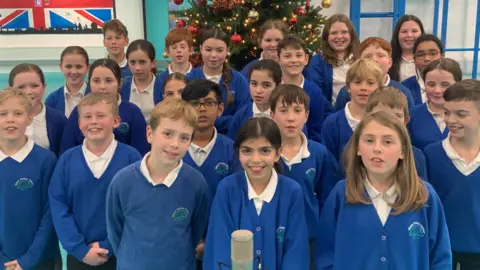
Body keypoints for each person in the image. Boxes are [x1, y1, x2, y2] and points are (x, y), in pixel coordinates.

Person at [315, 111, 452, 270]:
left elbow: (440, 257)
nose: (377, 149)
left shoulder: (424, 196)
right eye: (369, 140)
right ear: (358, 148)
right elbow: (325, 254)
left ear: (402, 151)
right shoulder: (341, 194)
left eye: (387, 142)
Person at [106, 99, 210, 270]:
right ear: (150, 134)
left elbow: (195, 231)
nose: (174, 144)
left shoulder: (196, 183)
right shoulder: (122, 182)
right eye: (168, 134)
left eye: (184, 137)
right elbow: (115, 232)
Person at [49, 93, 142, 270]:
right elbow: (59, 205)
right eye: (87, 116)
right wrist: (79, 248)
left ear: (115, 121)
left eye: (101, 116)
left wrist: (108, 245)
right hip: (80, 255)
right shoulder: (67, 161)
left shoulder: (132, 158)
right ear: (79, 123)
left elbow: (137, 208)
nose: (93, 121)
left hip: (122, 252)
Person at [203, 117, 310, 270]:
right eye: (247, 151)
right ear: (238, 153)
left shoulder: (292, 192)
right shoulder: (227, 189)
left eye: (265, 151)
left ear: (278, 153)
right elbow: (219, 247)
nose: (255, 159)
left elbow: (296, 252)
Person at [270, 84, 340, 268]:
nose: (290, 118)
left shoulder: (319, 153)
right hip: (271, 237)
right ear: (272, 115)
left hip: (309, 239)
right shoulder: (264, 155)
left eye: (297, 110)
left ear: (306, 116)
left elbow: (327, 196)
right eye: (283, 111)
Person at [0, 88, 59, 270]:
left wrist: (29, 259)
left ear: (29, 119)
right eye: (3, 114)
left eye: (18, 113)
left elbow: (50, 216)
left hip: (39, 260)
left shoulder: (45, 160)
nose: (10, 119)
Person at [424, 79, 480, 270]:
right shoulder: (430, 155)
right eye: (447, 112)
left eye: (461, 114)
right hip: (440, 253)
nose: (451, 120)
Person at [60, 58, 149, 155]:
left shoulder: (133, 112)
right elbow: (67, 151)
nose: (102, 86)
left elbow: (142, 153)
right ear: (89, 83)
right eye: (96, 81)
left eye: (108, 80)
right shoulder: (78, 111)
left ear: (119, 83)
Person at [187, 28, 250, 133]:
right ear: (201, 49)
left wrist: (210, 120)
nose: (213, 55)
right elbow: (185, 114)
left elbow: (243, 117)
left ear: (227, 50)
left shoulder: (239, 81)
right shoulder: (189, 79)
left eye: (219, 50)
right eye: (208, 50)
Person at [320, 58, 384, 163]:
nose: (363, 88)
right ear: (348, 87)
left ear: (379, 88)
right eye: (357, 82)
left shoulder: (385, 122)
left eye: (370, 83)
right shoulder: (332, 123)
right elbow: (328, 165)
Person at [333, 37, 416, 111]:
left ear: (390, 62)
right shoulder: (347, 92)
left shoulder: (402, 92)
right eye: (368, 56)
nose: (374, 60)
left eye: (380, 55)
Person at [365, 86, 428, 180]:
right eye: (382, 115)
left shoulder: (416, 156)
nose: (390, 121)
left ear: (405, 121)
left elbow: (422, 190)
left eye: (397, 116)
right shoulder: (358, 151)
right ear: (367, 117)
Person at [277, 35, 331, 142]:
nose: (294, 60)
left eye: (298, 55)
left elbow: (317, 129)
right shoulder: (273, 89)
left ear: (306, 59)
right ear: (278, 60)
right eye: (287, 56)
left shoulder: (314, 92)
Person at [9, 63, 67, 156]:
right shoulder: (3, 120)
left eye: (34, 86)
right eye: (21, 87)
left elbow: (63, 155)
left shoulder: (58, 119)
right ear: (10, 89)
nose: (28, 92)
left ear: (44, 87)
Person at [304, 14, 360, 106]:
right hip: (330, 114)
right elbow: (317, 95)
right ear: (327, 37)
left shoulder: (361, 58)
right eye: (334, 33)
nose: (339, 36)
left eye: (344, 32)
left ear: (351, 35)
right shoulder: (317, 61)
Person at [408, 58, 462, 150]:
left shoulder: (470, 115)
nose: (437, 90)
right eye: (431, 84)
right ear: (424, 84)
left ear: (458, 85)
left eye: (445, 85)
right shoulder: (410, 115)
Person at [228, 59, 282, 139]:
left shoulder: (286, 115)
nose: (258, 91)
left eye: (266, 85)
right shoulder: (241, 115)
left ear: (278, 86)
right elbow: (232, 145)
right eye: (254, 84)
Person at [120, 40, 164, 122]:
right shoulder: (123, 88)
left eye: (142, 62)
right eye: (132, 62)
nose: (137, 68)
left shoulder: (162, 87)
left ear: (153, 63)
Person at [45, 46, 91, 117]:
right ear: (61, 67)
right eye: (68, 67)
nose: (73, 72)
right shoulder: (52, 99)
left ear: (87, 68)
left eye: (79, 67)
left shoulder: (96, 95)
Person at [402, 34, 444, 105]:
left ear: (442, 57)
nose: (427, 59)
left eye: (433, 53)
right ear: (414, 59)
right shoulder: (404, 88)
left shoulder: (453, 86)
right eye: (421, 55)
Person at [389, 15, 425, 82]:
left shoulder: (430, 59)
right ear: (397, 35)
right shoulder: (388, 60)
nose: (409, 35)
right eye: (404, 32)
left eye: (414, 31)